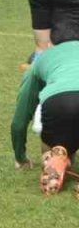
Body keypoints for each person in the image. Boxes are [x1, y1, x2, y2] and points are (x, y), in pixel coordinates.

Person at [10, 33, 79, 195]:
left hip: (58, 101)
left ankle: (54, 157)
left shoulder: (41, 59)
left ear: (50, 43)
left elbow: (19, 121)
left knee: (55, 140)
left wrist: (21, 158)